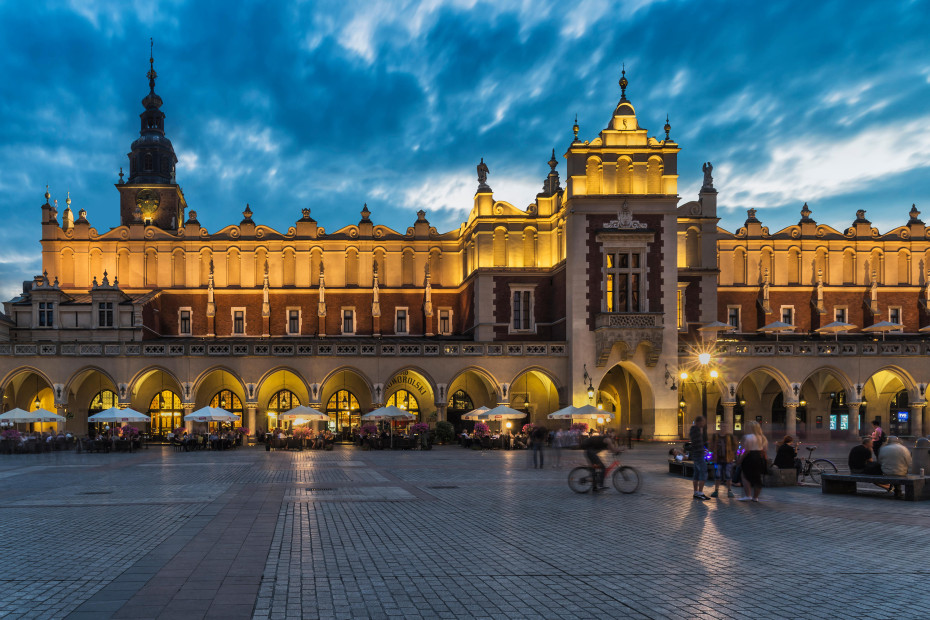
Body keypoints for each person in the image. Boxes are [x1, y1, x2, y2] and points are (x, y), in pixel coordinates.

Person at [737, 420, 768, 502]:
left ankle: (748, 495)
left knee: (745, 475)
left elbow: (746, 450)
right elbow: (765, 450)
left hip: (749, 457)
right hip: (759, 456)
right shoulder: (762, 438)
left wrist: (740, 459)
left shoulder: (747, 437)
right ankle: (756, 497)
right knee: (757, 477)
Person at [710, 423, 737, 498]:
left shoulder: (730, 436)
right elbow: (711, 446)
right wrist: (713, 454)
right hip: (718, 459)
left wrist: (732, 455)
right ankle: (716, 490)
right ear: (719, 427)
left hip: (728, 459)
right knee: (717, 475)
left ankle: (729, 490)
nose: (723, 428)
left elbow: (735, 446)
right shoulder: (715, 436)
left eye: (725, 427)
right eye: (722, 426)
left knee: (728, 475)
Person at [689, 416, 709, 500]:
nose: (704, 424)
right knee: (703, 472)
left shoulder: (694, 430)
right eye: (703, 422)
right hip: (698, 455)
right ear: (699, 422)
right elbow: (696, 443)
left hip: (696, 454)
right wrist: (703, 451)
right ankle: (700, 493)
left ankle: (696, 492)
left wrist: (703, 449)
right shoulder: (696, 430)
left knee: (696, 474)